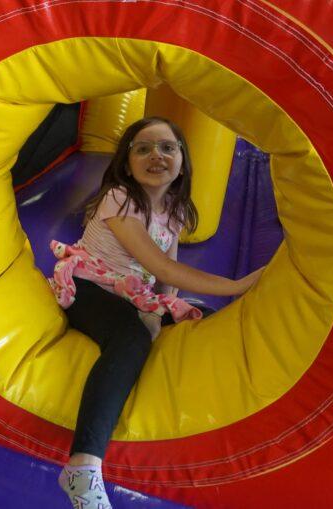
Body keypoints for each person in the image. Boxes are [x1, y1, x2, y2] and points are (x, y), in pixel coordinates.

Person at [50, 116, 265, 508]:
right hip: (88, 284)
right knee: (130, 338)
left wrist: (165, 309)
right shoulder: (119, 197)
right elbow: (163, 267)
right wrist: (237, 286)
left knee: (201, 317)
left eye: (168, 147)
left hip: (132, 292)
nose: (156, 155)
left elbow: (166, 279)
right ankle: (82, 466)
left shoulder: (176, 209)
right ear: (127, 161)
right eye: (143, 148)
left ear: (183, 158)